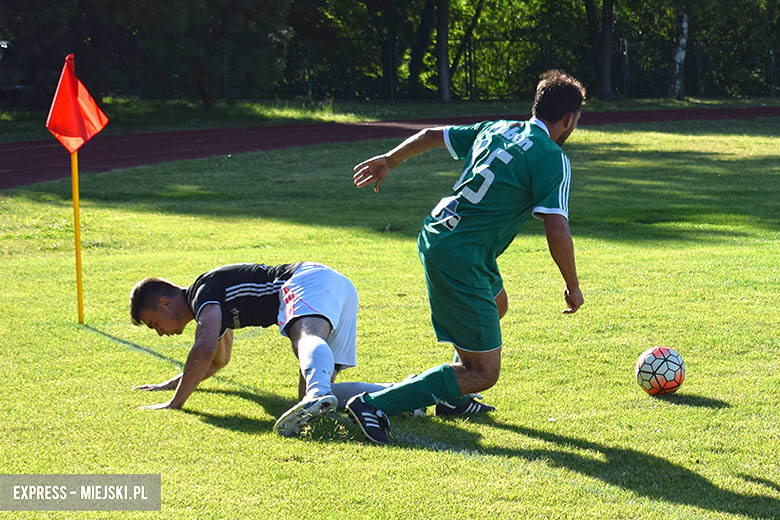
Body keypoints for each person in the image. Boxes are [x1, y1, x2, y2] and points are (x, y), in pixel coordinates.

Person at [346, 69, 586, 443]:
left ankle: (452, 396)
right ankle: (373, 404)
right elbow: (556, 227)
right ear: (569, 119)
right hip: (462, 255)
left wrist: (390, 160)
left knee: (497, 304)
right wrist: (572, 285)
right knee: (485, 372)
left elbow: (430, 136)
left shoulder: (498, 127)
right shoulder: (551, 157)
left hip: (444, 234)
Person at [129, 261, 362, 437]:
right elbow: (215, 361)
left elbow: (204, 349)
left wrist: (175, 403)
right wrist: (170, 384)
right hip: (337, 285)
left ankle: (318, 391)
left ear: (164, 303)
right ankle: (388, 394)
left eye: (154, 324)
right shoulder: (211, 309)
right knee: (312, 400)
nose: (159, 332)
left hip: (307, 280)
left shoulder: (203, 293)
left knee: (305, 337)